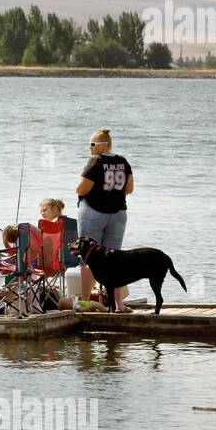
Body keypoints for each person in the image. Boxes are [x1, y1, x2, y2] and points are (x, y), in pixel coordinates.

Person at [75, 127, 134, 308]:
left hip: (93, 212)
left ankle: (85, 300)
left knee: (88, 257)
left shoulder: (95, 161)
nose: (90, 148)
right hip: (118, 214)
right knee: (114, 259)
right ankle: (118, 305)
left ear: (104, 146)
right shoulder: (123, 162)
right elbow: (129, 189)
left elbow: (81, 189)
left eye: (92, 144)